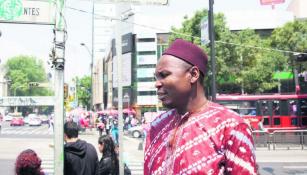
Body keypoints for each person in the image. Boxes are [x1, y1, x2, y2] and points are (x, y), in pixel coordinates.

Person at [144, 39, 258, 175]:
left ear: (193, 75)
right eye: (156, 77)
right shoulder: (156, 126)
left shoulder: (231, 126)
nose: (157, 84)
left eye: (164, 75)